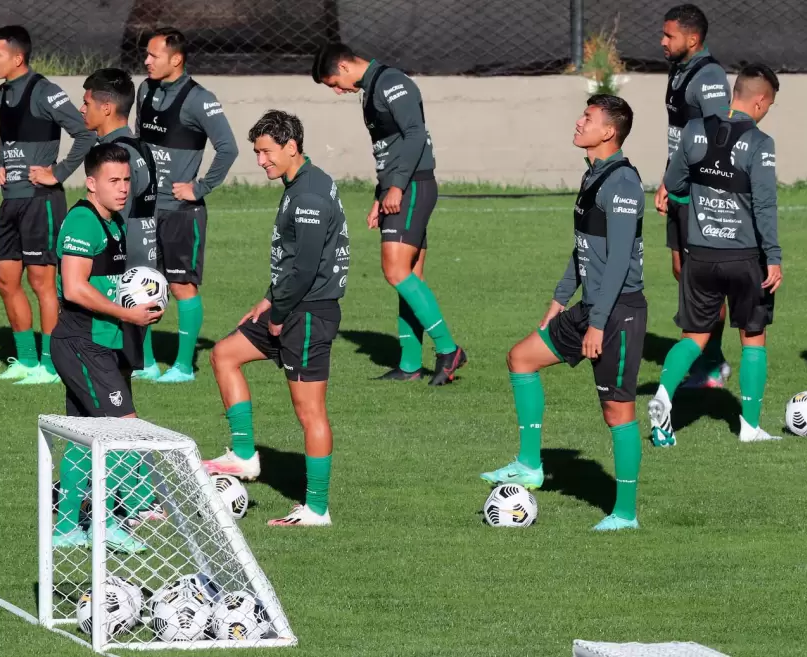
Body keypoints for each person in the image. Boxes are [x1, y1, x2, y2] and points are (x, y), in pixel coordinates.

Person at [480, 95, 647, 532]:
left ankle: (625, 513)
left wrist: (596, 324)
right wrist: (560, 299)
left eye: (588, 119)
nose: (578, 122)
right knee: (521, 357)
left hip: (618, 313)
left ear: (608, 132)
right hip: (590, 307)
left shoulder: (624, 184)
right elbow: (585, 250)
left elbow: (617, 261)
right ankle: (531, 465)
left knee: (618, 412)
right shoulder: (594, 176)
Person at [202, 110, 348, 527]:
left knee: (310, 413)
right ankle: (244, 455)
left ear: (291, 147)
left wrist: (280, 312)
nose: (261, 160)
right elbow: (300, 261)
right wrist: (269, 299)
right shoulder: (302, 183)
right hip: (290, 305)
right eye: (257, 152)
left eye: (266, 152)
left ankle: (316, 509)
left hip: (307, 314)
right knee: (224, 354)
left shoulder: (309, 196)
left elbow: (304, 268)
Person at [311, 42, 467, 385]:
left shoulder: (392, 82)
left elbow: (414, 134)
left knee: (396, 272)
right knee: (410, 278)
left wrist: (396, 187)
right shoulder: (372, 88)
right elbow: (390, 148)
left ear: (344, 67)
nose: (338, 92)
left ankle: (449, 349)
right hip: (401, 188)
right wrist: (380, 195)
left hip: (413, 187)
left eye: (334, 84)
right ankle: (410, 365)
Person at [649, 64, 783, 446]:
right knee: (753, 338)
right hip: (745, 258)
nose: (766, 111)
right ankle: (750, 427)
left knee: (694, 337)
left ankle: (662, 399)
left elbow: (673, 184)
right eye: (768, 105)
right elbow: (765, 205)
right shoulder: (760, 143)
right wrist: (772, 256)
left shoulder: (693, 131)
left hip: (700, 256)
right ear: (759, 100)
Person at [50, 143, 163, 551]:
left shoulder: (113, 222)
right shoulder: (83, 223)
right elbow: (76, 288)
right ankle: (103, 521)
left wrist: (140, 306)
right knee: (124, 431)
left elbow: (109, 284)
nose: (122, 188)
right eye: (113, 181)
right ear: (91, 182)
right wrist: (127, 314)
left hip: (100, 344)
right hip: (82, 343)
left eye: (127, 180)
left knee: (84, 437)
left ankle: (65, 528)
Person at [81, 68, 166, 527]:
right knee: (115, 387)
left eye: (87, 102)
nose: (82, 109)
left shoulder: (115, 155)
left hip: (120, 284)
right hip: (137, 279)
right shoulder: (139, 149)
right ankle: (127, 490)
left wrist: (119, 287)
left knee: (114, 393)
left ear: (106, 105)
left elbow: (121, 224)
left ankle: (141, 497)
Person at [0, 25, 95, 384]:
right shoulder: (1, 95)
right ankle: (27, 361)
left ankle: (51, 366)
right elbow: (6, 139)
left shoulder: (46, 92)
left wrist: (59, 172)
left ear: (17, 57)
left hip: (41, 202)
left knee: (42, 282)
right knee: (5, 280)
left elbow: (85, 132)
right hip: (11, 202)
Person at [136, 27, 239, 383]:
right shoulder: (144, 90)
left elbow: (228, 148)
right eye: (145, 55)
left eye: (153, 55)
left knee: (181, 287)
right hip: (144, 209)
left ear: (176, 59)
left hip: (181, 212)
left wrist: (200, 187)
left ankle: (183, 367)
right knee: (142, 283)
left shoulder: (199, 99)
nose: (146, 61)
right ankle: (146, 363)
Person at [656, 4, 732, 389]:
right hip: (680, 187)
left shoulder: (711, 76)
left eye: (669, 35)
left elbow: (718, 139)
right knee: (681, 272)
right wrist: (668, 178)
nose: (662, 41)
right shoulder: (679, 69)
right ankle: (707, 356)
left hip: (700, 193)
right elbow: (680, 135)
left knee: (702, 281)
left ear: (693, 38)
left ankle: (713, 364)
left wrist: (684, 181)